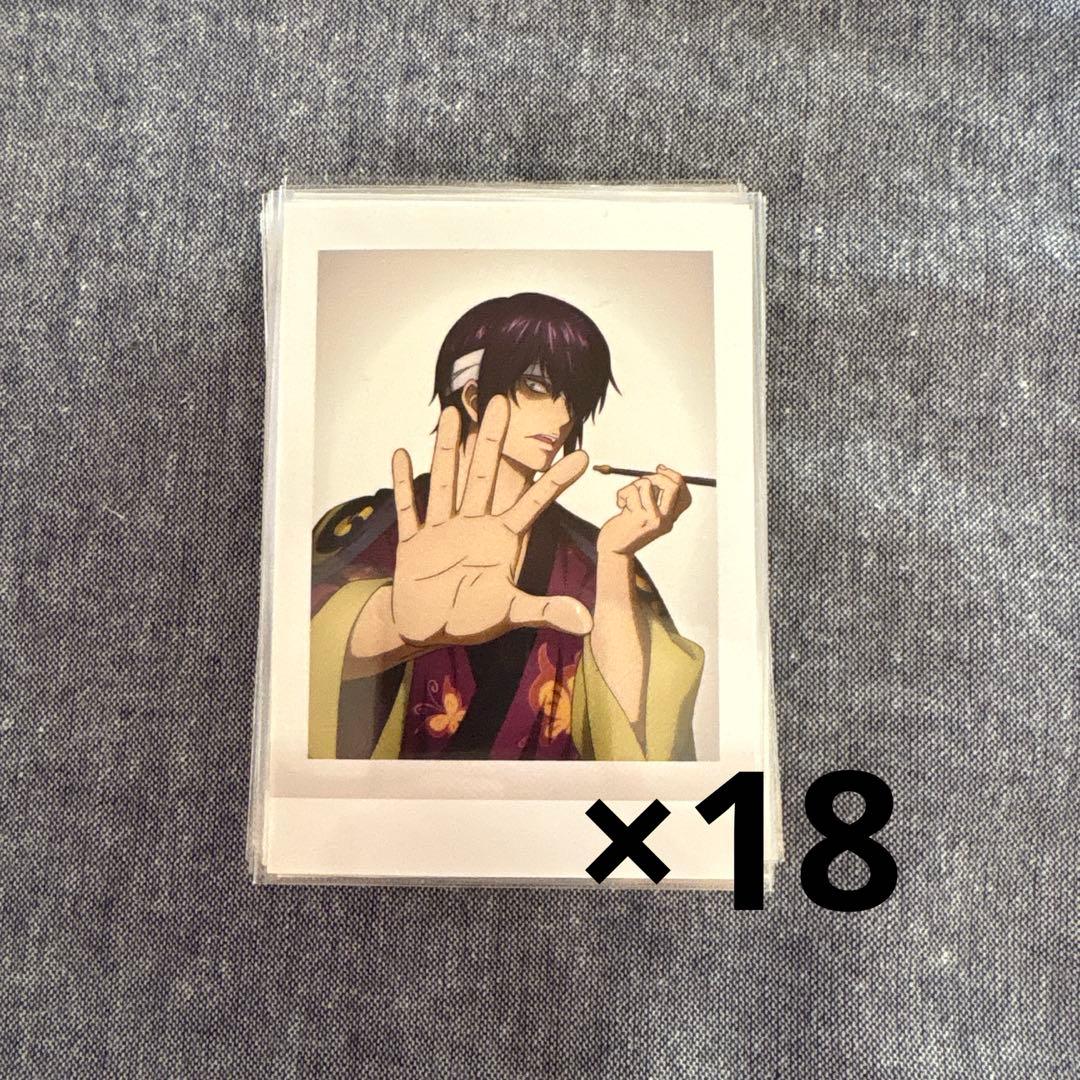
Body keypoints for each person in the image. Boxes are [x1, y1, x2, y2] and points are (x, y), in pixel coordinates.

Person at [309, 292, 704, 761]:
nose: (563, 417)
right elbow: (297, 653)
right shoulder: (366, 528)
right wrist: (396, 624)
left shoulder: (587, 557)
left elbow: (639, 742)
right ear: (474, 397)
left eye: (574, 396)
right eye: (536, 386)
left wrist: (616, 558)